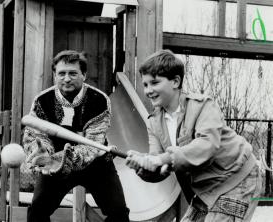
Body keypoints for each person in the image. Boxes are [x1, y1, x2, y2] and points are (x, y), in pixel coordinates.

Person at [125, 49, 262, 222]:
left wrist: (160, 159)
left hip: (237, 178)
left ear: (175, 81)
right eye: (145, 85)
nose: (148, 90)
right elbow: (159, 163)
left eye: (154, 83)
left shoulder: (203, 106)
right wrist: (143, 165)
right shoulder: (154, 122)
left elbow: (206, 145)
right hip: (205, 190)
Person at [23, 50, 130, 222]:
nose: (66, 79)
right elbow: (36, 134)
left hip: (96, 164)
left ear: (84, 75)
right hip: (53, 166)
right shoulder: (42, 101)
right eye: (62, 73)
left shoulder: (99, 100)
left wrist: (62, 158)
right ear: (54, 76)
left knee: (118, 213)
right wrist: (42, 153)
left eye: (73, 73)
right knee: (37, 212)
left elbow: (92, 145)